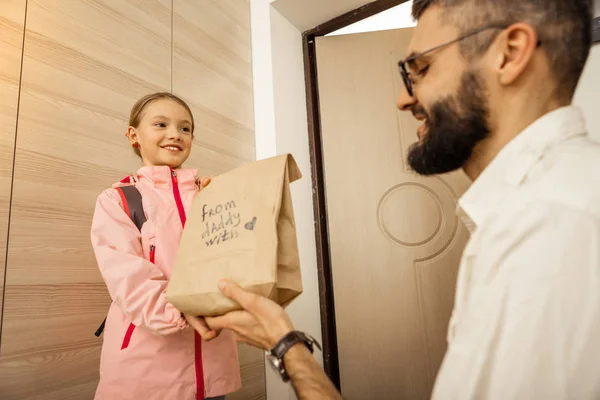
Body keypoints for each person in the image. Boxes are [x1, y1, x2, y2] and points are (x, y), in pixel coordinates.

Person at [190, 0, 600, 399]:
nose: (403, 99)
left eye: (420, 68)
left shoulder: (549, 228)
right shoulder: (557, 204)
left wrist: (284, 345)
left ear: (509, 55)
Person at [91, 92, 240, 400]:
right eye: (161, 124)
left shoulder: (210, 196)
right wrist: (184, 312)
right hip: (147, 371)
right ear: (134, 135)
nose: (175, 134)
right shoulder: (118, 199)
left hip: (213, 367)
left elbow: (232, 263)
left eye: (185, 129)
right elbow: (129, 278)